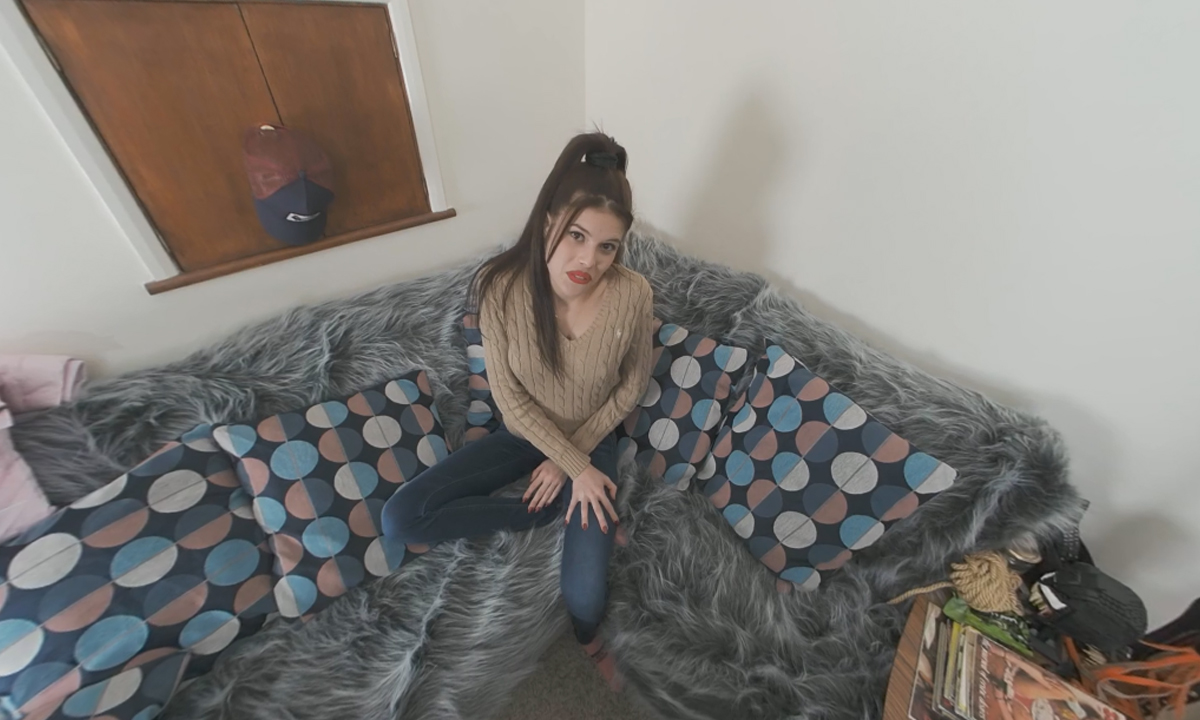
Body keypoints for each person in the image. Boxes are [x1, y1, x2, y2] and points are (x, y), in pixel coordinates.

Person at [381, 132, 654, 687]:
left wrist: (574, 461)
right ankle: (535, 514)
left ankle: (587, 637)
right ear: (549, 220)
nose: (589, 260)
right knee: (401, 518)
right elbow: (510, 401)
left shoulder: (633, 293)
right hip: (521, 435)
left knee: (585, 598)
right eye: (577, 235)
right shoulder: (500, 288)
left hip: (593, 438)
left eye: (608, 247)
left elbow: (630, 388)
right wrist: (567, 467)